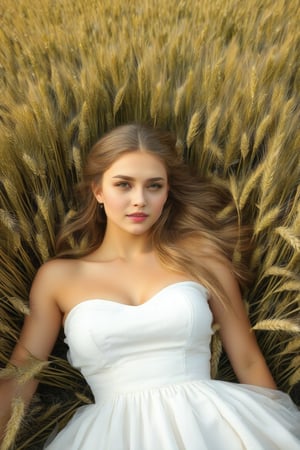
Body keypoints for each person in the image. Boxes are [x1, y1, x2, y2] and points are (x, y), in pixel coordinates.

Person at [0, 123, 299, 450]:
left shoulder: (204, 259)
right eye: (123, 185)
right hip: (111, 437)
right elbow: (21, 376)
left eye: (154, 186)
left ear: (167, 192)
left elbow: (247, 359)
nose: (139, 200)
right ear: (98, 191)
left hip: (211, 426)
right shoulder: (59, 277)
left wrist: (276, 433)